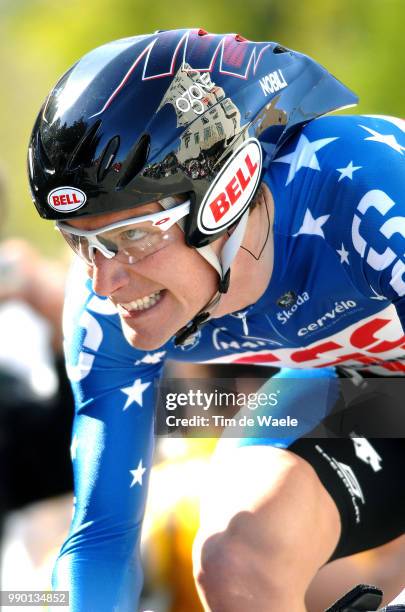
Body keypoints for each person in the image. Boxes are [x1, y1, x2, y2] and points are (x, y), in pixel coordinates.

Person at [27, 28, 405, 611]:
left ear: (223, 197)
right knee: (237, 558)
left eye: (129, 236)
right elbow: (101, 541)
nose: (104, 281)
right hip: (369, 387)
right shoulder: (105, 306)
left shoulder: (369, 195)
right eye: (81, 242)